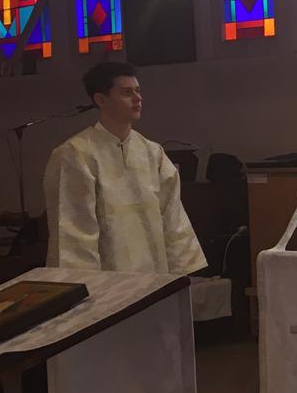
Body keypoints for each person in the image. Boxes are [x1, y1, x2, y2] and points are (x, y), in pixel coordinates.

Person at [44, 61, 206, 274]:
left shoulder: (152, 152)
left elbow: (173, 218)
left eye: (138, 91)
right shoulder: (75, 154)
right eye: (127, 92)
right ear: (101, 100)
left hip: (156, 275)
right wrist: (86, 287)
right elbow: (74, 234)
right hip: (108, 281)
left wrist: (179, 277)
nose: (137, 98)